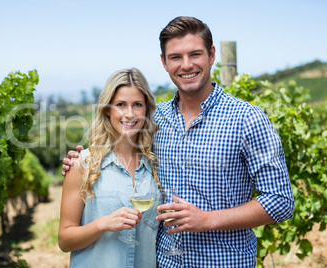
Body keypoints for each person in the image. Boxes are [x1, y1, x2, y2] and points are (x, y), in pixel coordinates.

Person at [63, 16, 294, 267]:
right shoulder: (155, 119)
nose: (186, 65)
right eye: (175, 57)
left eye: (195, 54)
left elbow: (280, 201)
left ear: (212, 55)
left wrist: (208, 219)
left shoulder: (247, 119)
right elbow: (120, 139)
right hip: (164, 262)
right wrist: (80, 160)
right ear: (164, 62)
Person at [58, 68, 161, 268]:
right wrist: (102, 224)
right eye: (121, 105)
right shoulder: (82, 165)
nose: (129, 114)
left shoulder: (157, 165)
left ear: (146, 109)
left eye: (137, 105)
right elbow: (64, 239)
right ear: (107, 109)